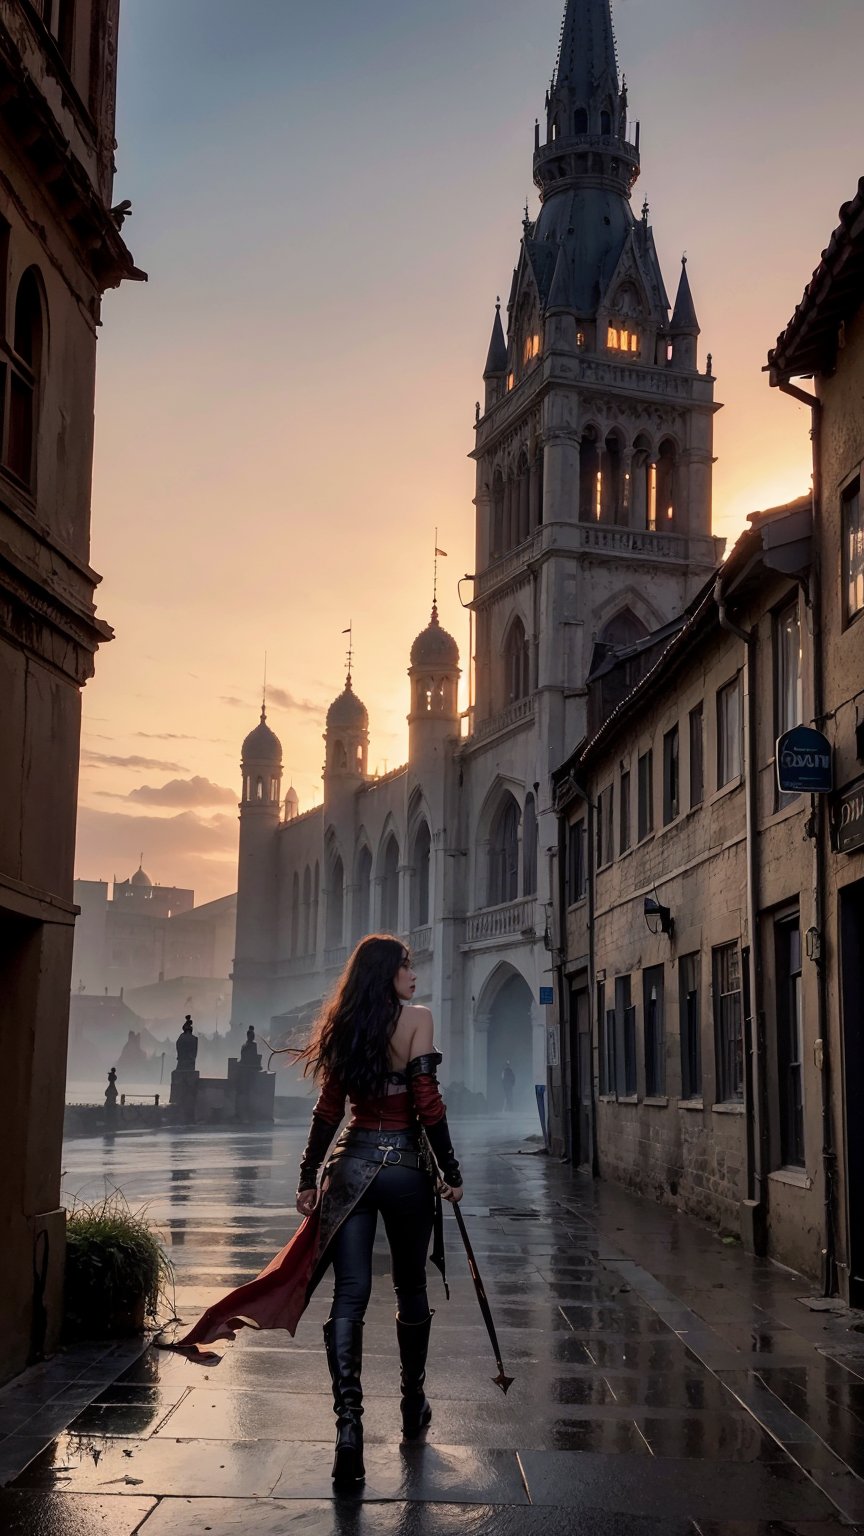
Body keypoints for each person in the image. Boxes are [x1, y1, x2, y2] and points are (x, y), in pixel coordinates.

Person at [170, 935, 463, 1492]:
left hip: (350, 1168)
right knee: (410, 1288)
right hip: (405, 1169)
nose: (415, 976)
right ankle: (411, 1404)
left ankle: (348, 1431)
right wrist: (449, 1169)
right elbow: (426, 1100)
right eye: (407, 966)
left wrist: (308, 1176)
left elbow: (329, 1111)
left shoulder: (346, 1024)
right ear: (388, 973)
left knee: (349, 1295)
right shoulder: (418, 1019)